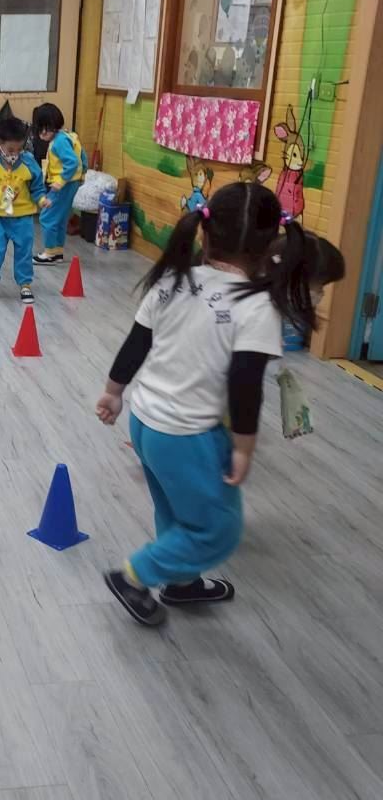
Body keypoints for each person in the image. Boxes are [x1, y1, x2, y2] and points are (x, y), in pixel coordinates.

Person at [95, 181, 342, 627]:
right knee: (216, 529)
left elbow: (136, 343)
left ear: (205, 232)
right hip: (186, 434)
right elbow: (244, 386)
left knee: (175, 510)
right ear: (270, 247)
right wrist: (244, 447)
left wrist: (113, 392)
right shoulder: (256, 307)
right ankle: (134, 577)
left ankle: (182, 581)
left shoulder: (172, 280)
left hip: (144, 421)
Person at [0, 115, 49, 303]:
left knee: (24, 252)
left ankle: (25, 284)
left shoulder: (29, 163)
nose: (15, 153)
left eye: (20, 149)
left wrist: (41, 199)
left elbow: (37, 186)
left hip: (23, 218)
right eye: (10, 149)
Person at [31, 103, 87, 265]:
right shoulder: (68, 136)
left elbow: (72, 162)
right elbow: (82, 156)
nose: (43, 133)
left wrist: (60, 181)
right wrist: (82, 174)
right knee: (60, 218)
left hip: (63, 185)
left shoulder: (59, 142)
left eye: (47, 128)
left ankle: (49, 252)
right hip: (71, 183)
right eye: (40, 128)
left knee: (47, 217)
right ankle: (57, 251)